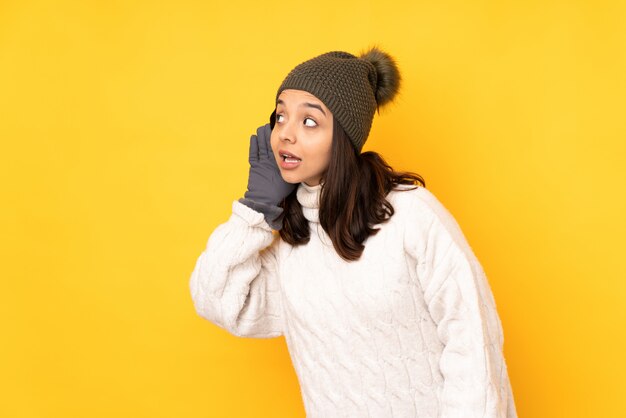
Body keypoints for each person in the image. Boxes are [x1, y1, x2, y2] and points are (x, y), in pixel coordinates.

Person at [189, 45, 518, 417]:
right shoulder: (293, 240)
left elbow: (473, 345)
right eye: (280, 116)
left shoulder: (409, 215)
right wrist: (255, 210)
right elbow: (218, 301)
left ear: (344, 136)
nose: (285, 134)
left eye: (309, 121)